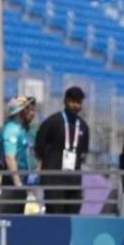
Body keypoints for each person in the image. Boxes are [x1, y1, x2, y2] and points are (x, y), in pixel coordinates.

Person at [34, 87, 90, 215]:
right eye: (73, 101)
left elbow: (83, 153)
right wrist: (45, 164)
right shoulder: (53, 122)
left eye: (79, 102)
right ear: (65, 101)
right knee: (55, 214)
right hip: (54, 178)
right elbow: (39, 145)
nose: (75, 105)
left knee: (73, 214)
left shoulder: (83, 126)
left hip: (73, 179)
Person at [0, 96, 35, 214]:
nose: (29, 111)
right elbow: (9, 158)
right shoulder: (11, 129)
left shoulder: (19, 129)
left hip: (20, 183)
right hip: (13, 184)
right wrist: (17, 183)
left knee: (17, 217)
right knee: (10, 217)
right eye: (25, 108)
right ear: (19, 111)